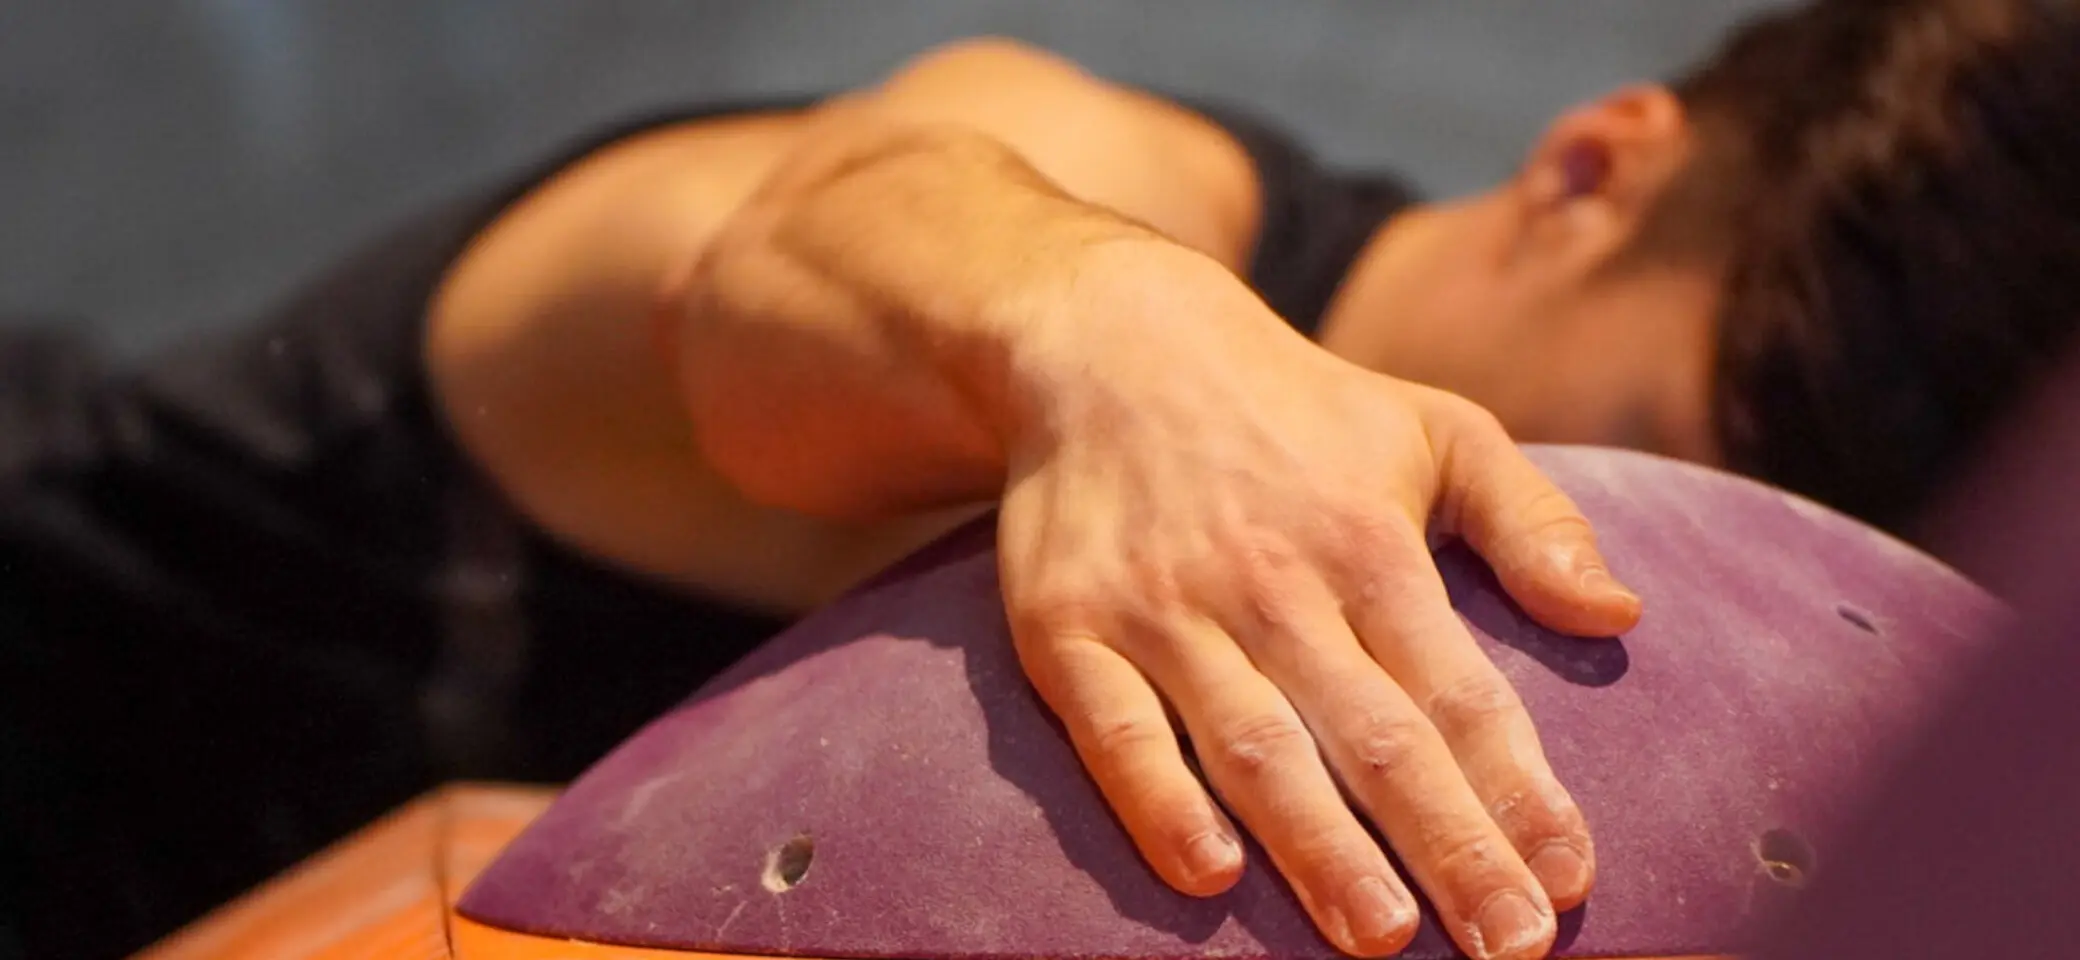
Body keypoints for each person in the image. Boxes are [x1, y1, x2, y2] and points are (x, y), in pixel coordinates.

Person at [5, 0, 2077, 958]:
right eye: (1653, 468)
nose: (1620, 579)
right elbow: (803, 255)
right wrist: (1099, 334)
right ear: (1588, 172)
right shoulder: (1089, 195)